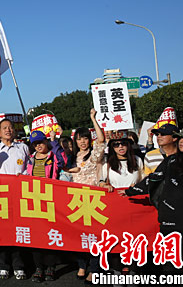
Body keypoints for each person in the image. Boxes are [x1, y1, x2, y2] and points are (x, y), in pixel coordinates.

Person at [124, 124, 183, 285]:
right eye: (180, 137)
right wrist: (130, 191)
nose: (181, 141)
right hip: (174, 228)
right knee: (174, 272)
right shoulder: (172, 162)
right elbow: (152, 179)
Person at [0, 118, 29, 280]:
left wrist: (23, 176)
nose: (8, 130)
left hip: (19, 194)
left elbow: (29, 168)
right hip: (1, 195)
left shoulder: (23, 148)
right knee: (3, 231)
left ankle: (19, 266)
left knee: (19, 229)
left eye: (10, 127)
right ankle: (3, 266)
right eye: (4, 128)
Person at [69, 109, 105, 282]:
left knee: (94, 236)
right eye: (79, 139)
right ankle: (82, 265)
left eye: (85, 138)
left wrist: (93, 118)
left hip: (93, 200)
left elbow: (101, 140)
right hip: (76, 200)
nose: (82, 142)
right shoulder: (72, 157)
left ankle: (94, 268)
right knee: (79, 236)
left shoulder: (94, 155)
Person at [25, 130, 65, 282]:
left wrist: (54, 142)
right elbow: (27, 175)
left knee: (50, 234)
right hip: (34, 200)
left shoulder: (54, 156)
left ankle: (50, 267)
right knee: (36, 236)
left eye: (41, 142)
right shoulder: (30, 159)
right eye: (35, 144)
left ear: (46, 142)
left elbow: (64, 161)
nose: (38, 146)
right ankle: (38, 267)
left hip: (51, 199)